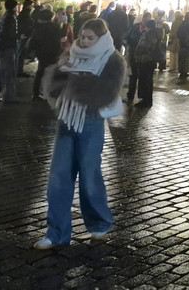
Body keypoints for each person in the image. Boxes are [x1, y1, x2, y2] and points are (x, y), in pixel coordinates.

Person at [34, 18, 126, 249]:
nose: (84, 42)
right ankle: (56, 233)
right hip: (67, 118)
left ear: (101, 38)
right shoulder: (71, 55)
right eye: (82, 37)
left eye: (90, 38)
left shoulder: (113, 59)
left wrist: (76, 79)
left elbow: (106, 92)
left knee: (89, 174)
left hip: (91, 121)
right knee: (59, 176)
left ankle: (99, 223)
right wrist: (61, 71)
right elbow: (53, 87)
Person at [29, 5, 64, 101]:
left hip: (41, 52)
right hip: (53, 52)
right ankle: (49, 92)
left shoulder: (37, 28)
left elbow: (33, 42)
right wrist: (63, 23)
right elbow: (62, 35)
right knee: (51, 72)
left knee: (40, 72)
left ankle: (36, 93)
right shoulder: (55, 27)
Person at [0, 0, 20, 103]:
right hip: (6, 47)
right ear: (14, 7)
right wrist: (19, 36)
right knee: (8, 72)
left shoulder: (2, 18)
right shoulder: (10, 18)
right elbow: (9, 33)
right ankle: (9, 97)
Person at [131, 18, 163, 107]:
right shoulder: (157, 34)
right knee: (149, 81)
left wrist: (136, 53)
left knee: (143, 81)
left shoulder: (148, 35)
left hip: (145, 60)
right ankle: (148, 100)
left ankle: (144, 101)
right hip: (151, 60)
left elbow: (143, 47)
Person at [16, 0, 35, 77]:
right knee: (21, 54)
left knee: (21, 53)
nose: (32, 7)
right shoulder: (25, 14)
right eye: (31, 5)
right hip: (24, 36)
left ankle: (18, 70)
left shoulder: (24, 13)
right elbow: (25, 25)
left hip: (24, 36)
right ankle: (19, 71)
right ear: (28, 6)